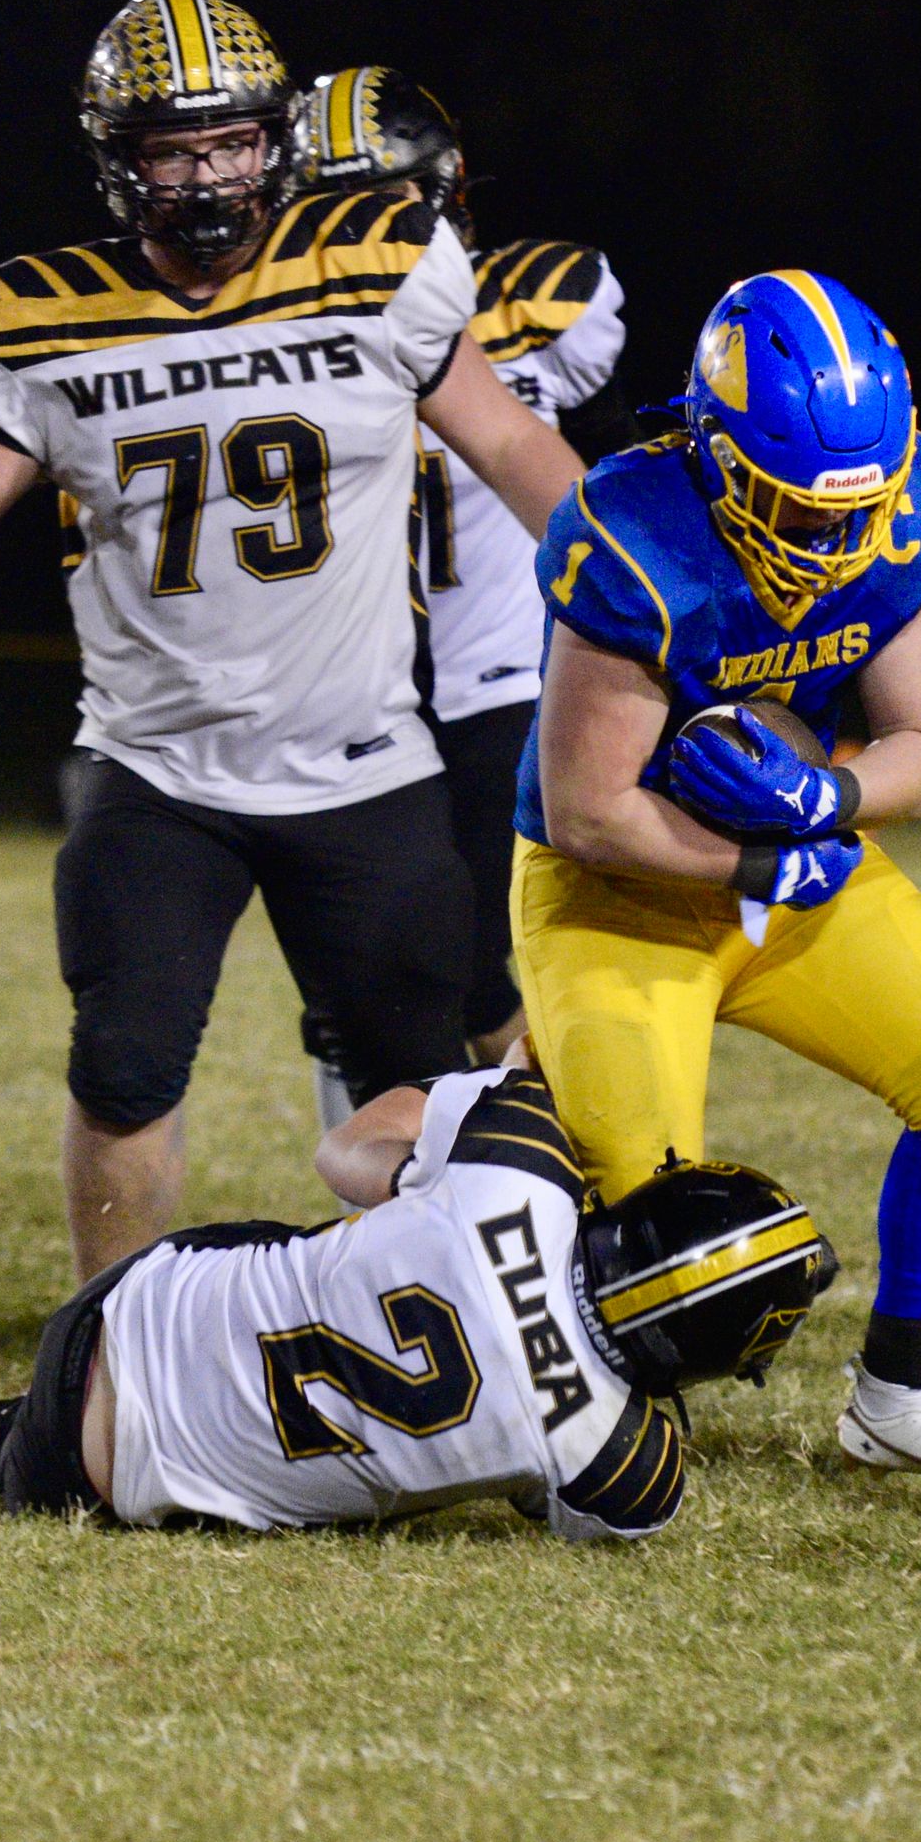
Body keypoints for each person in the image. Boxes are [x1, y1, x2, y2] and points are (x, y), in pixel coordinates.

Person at [0, 0, 584, 1284]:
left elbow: (515, 443)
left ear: (275, 142)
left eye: (231, 143)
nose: (207, 176)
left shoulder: (379, 264)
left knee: (421, 1080)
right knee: (125, 1066)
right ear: (116, 157)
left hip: (365, 760)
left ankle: (425, 1316)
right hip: (160, 771)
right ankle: (109, 1338)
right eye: (173, 149)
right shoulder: (39, 324)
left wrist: (623, 581)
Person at [516, 271, 921, 1503]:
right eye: (786, 503)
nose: (825, 534)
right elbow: (590, 811)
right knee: (649, 1205)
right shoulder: (635, 534)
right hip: (622, 889)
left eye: (850, 505)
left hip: (794, 860)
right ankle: (557, 1392)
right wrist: (765, 857)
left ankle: (908, 1397)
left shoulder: (920, 511)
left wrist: (834, 800)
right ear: (714, 456)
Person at [0, 1062, 834, 1540]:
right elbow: (574, 1505)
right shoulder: (624, 1460)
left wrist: (422, 1199)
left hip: (137, 1300)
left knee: (336, 1236)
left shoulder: (522, 1160)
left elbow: (346, 1149)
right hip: (128, 1481)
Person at [287, 67, 626, 1092]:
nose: (364, 239)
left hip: (502, 685)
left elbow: (609, 473)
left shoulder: (543, 305)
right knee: (358, 979)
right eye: (333, 216)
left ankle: (564, 1169)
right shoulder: (267, 338)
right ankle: (399, 1209)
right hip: (348, 687)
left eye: (383, 210)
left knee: (485, 969)